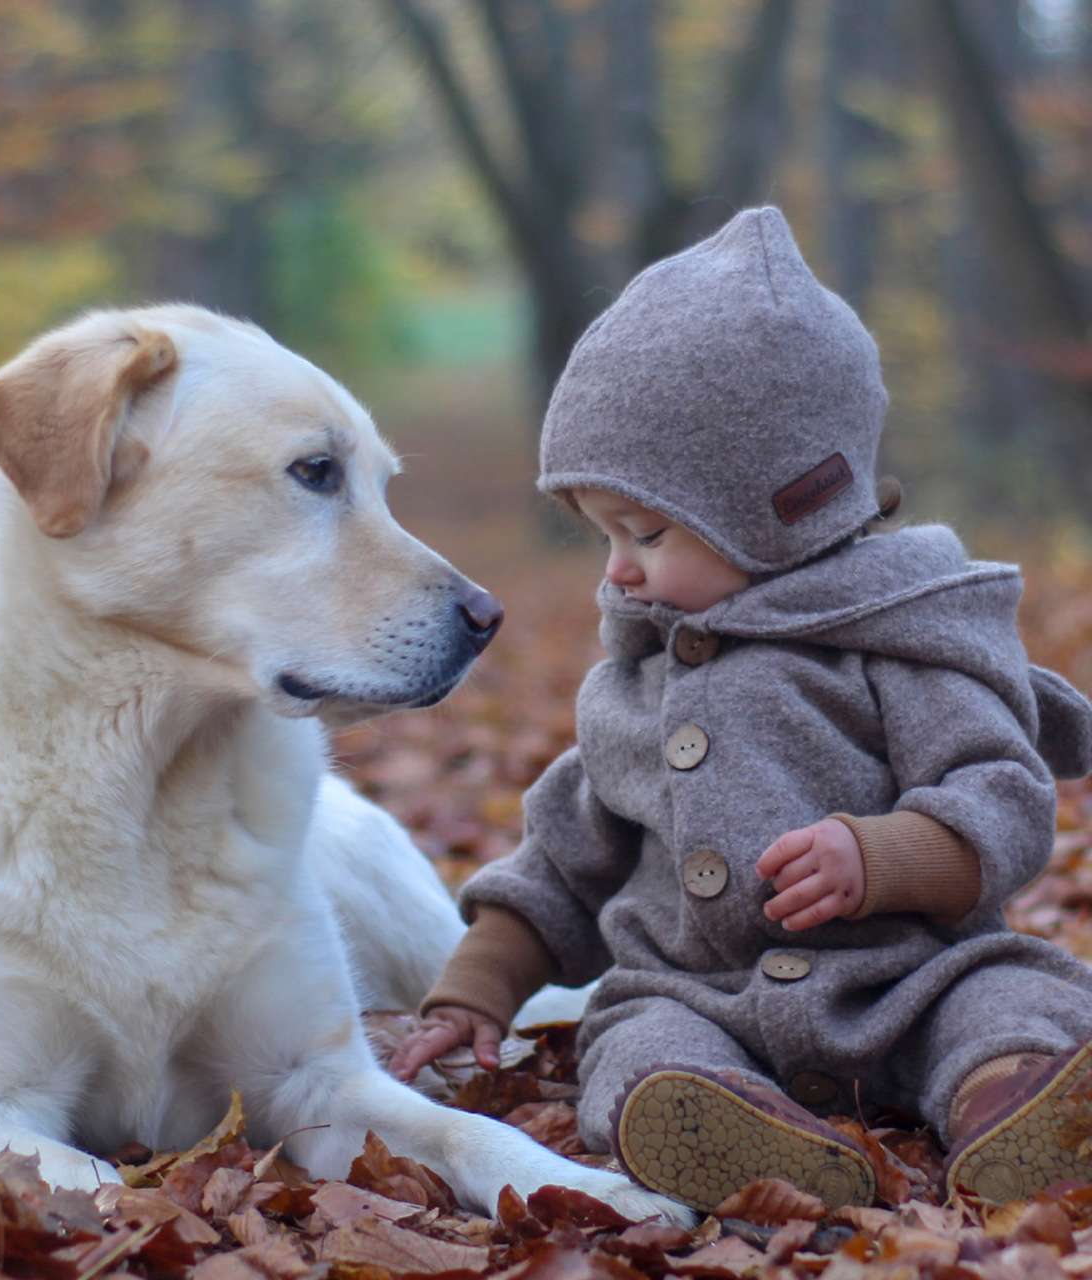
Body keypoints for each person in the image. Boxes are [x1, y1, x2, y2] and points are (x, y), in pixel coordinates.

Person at [391, 207, 1092, 1213]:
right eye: (600, 535)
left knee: (1008, 999)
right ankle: (721, 1128)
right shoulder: (635, 681)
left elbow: (1002, 795)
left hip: (905, 975)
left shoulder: (892, 635)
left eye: (643, 530)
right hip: (696, 993)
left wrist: (882, 852)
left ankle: (1014, 1097)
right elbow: (558, 863)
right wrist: (475, 987)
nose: (618, 568)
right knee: (632, 1042)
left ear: (784, 505)